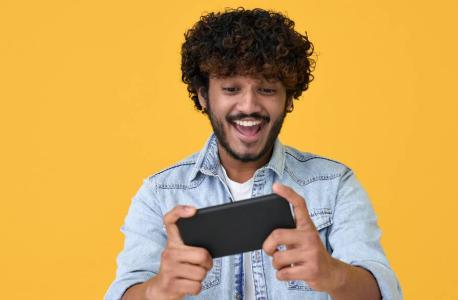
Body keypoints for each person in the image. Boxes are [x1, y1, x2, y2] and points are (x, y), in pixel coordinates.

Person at [105, 7, 402, 300]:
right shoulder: (160, 194)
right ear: (204, 96)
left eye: (267, 90)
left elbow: (383, 290)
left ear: (289, 98)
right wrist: (158, 290)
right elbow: (124, 290)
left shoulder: (334, 184)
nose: (249, 106)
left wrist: (332, 274)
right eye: (232, 89)